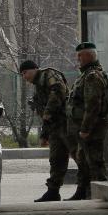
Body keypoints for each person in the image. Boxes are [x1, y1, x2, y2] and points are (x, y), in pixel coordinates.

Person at [21, 60, 72, 202]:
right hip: (55, 127)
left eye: (25, 72)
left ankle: (86, 189)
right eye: (22, 74)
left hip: (67, 123)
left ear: (34, 69)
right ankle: (53, 192)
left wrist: (48, 113)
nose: (24, 77)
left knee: (80, 156)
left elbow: (58, 91)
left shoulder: (49, 75)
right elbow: (44, 113)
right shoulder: (39, 86)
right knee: (56, 159)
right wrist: (44, 134)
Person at [65, 42, 108, 200]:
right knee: (83, 161)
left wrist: (85, 129)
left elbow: (93, 105)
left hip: (92, 129)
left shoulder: (92, 76)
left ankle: (101, 194)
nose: (78, 59)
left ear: (90, 55)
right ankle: (82, 191)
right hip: (83, 128)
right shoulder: (86, 74)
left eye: (81, 55)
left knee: (94, 162)